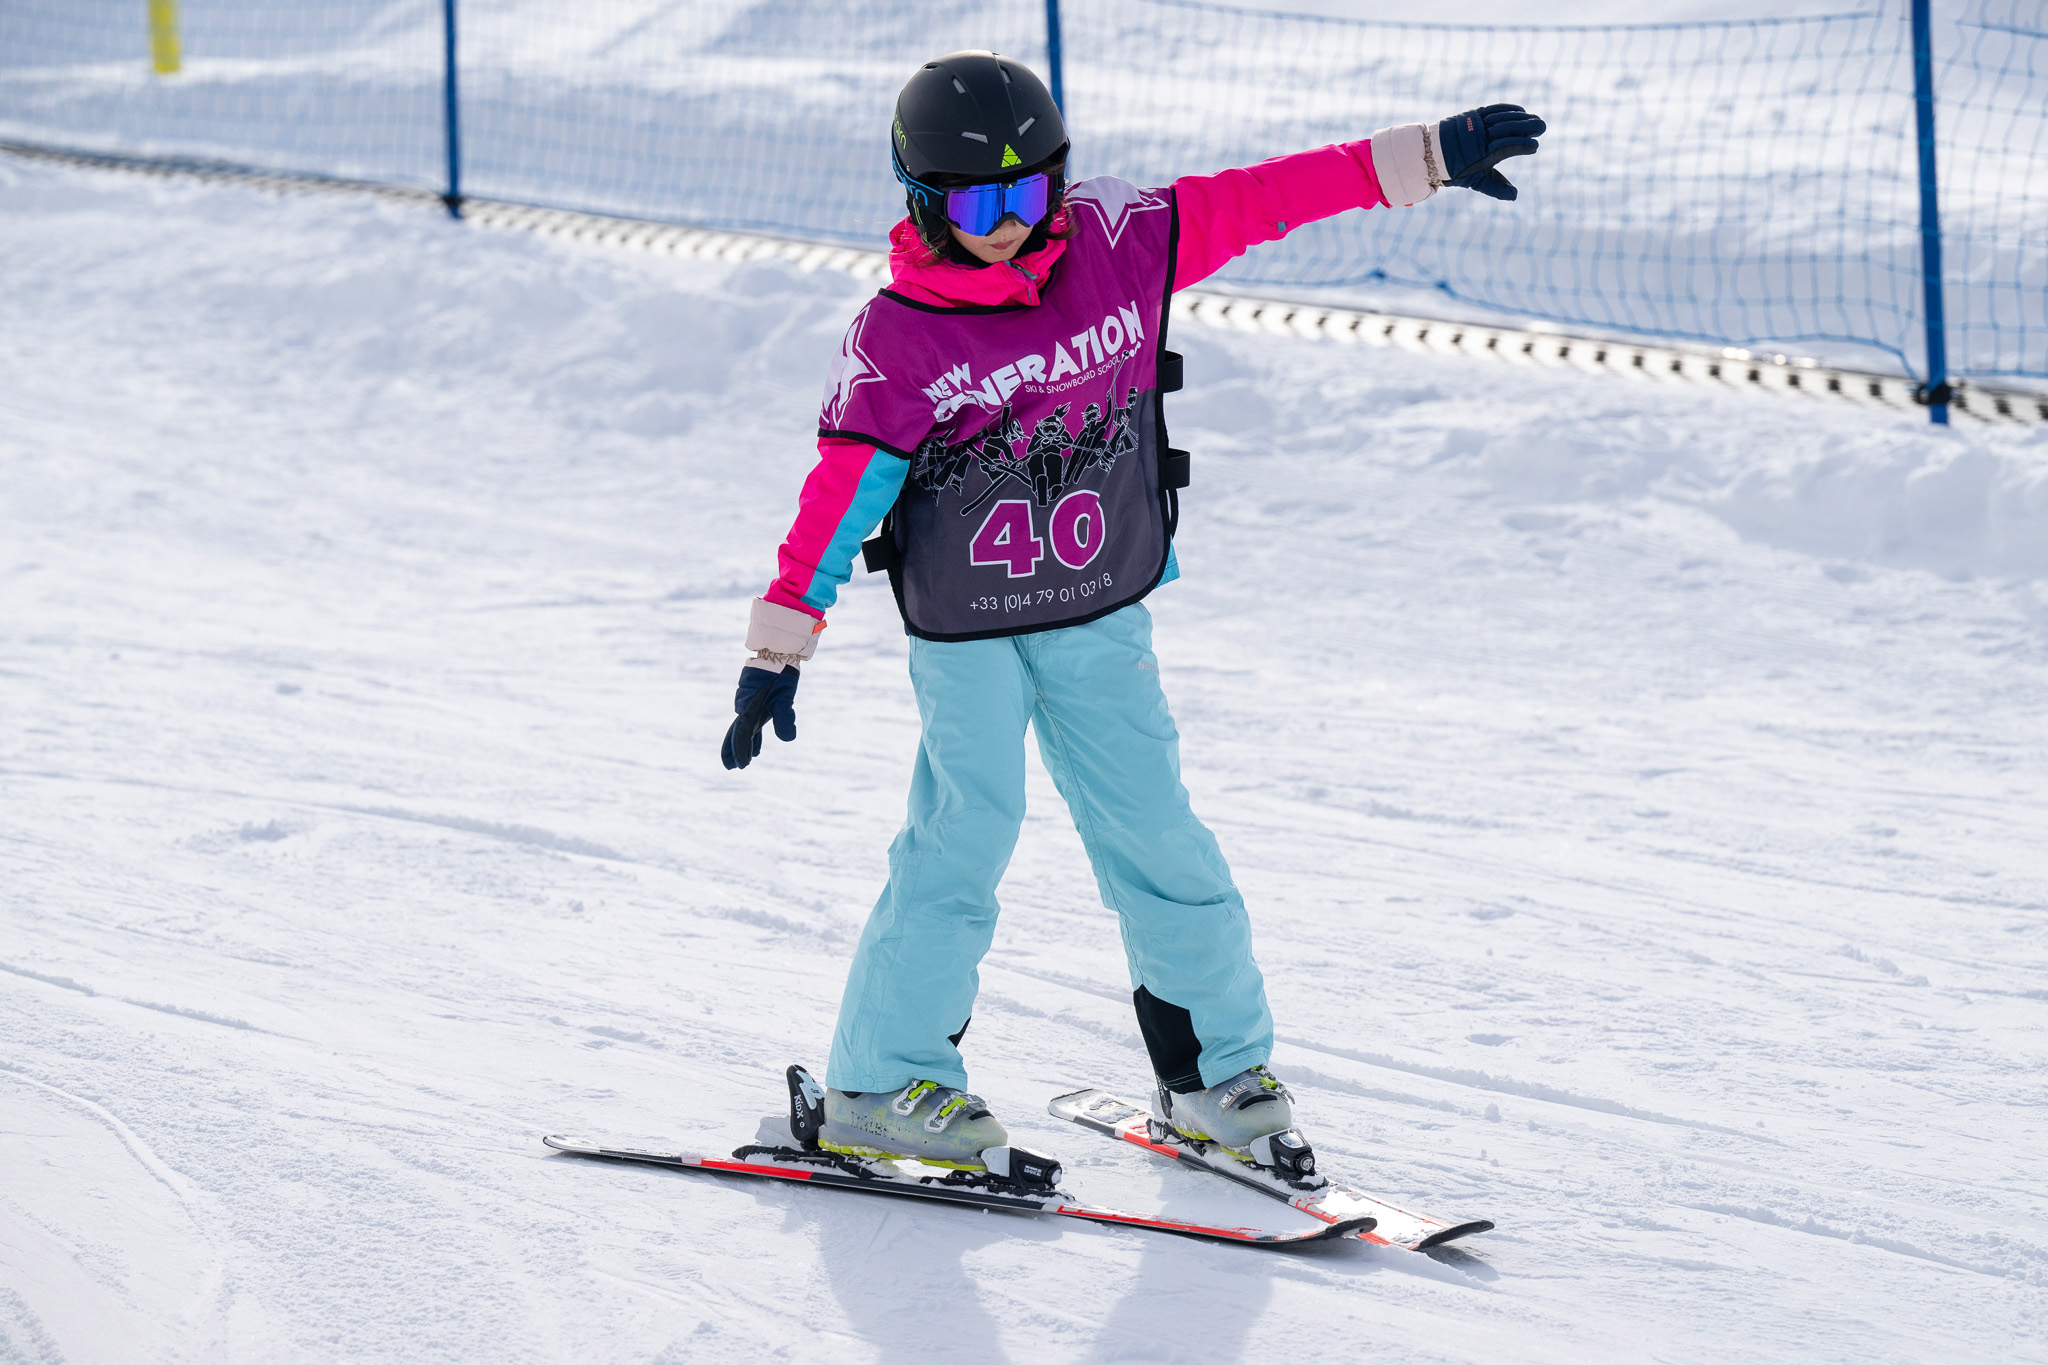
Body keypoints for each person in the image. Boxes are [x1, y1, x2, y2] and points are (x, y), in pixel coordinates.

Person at [723, 52, 1543, 1173]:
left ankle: (1212, 1080)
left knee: (1159, 838)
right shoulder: (899, 341)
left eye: (1027, 193)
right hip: (968, 629)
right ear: (922, 199)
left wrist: (1427, 158)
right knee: (962, 837)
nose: (1008, 224)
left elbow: (1267, 196)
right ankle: (880, 1080)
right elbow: (840, 499)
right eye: (977, 202)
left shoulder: (1122, 244)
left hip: (1098, 606)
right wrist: (780, 647)